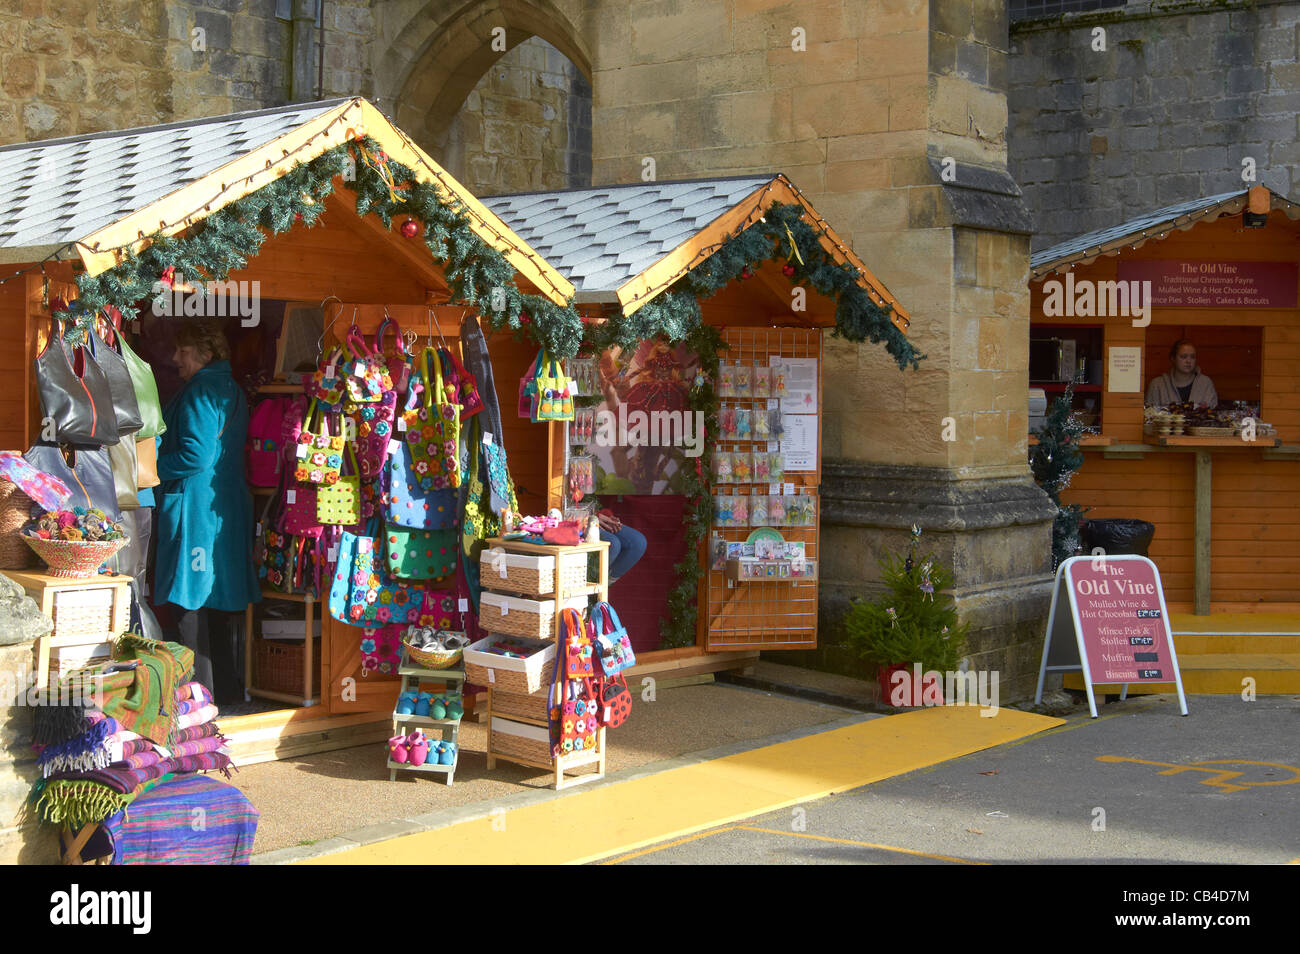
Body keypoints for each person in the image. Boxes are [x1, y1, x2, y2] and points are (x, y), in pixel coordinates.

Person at [155, 320, 260, 704]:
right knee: (216, 604)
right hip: (226, 505)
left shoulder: (200, 391)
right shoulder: (230, 388)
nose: (174, 358)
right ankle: (227, 694)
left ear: (205, 353)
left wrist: (149, 468)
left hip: (197, 508)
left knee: (189, 603)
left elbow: (195, 457)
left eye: (183, 351)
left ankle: (196, 700)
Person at [1146, 338, 1218, 408]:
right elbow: (1149, 414)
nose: (1188, 361)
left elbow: (1213, 413)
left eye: (1192, 357)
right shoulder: (1157, 385)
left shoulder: (1205, 383)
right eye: (1183, 357)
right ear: (1173, 358)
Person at [597, 509, 647, 583]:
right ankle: (593, 583)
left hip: (589, 513)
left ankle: (604, 583)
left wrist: (605, 517)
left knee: (638, 542)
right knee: (613, 544)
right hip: (578, 521)